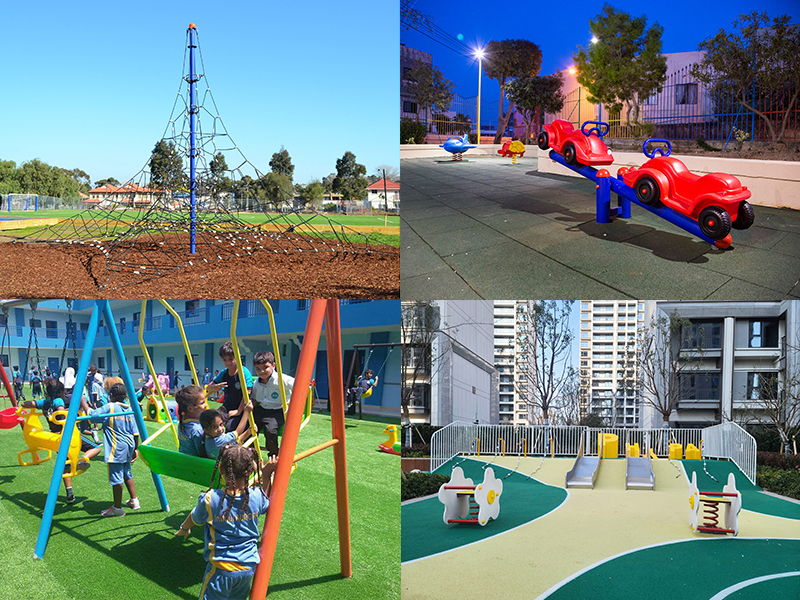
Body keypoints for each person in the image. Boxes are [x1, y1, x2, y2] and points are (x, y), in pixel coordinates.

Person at [175, 446, 278, 600]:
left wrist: (184, 528)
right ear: (249, 472)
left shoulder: (211, 499)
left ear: (221, 469)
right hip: (247, 568)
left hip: (221, 568)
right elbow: (264, 500)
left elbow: (194, 518)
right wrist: (267, 474)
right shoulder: (256, 497)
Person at [20, 377, 90, 504]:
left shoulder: (45, 402)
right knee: (95, 447)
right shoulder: (59, 400)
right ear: (61, 391)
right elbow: (61, 412)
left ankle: (69, 493)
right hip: (67, 436)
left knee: (65, 463)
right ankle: (83, 460)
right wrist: (73, 411)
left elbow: (26, 404)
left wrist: (24, 404)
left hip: (55, 438)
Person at [85, 383, 140, 517]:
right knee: (127, 472)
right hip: (129, 444)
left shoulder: (110, 407)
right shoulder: (128, 408)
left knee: (116, 477)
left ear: (111, 396)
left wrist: (84, 404)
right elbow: (135, 432)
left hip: (117, 447)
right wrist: (136, 449)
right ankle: (134, 500)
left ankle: (117, 508)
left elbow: (92, 417)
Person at [250, 351, 294, 458]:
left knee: (270, 431)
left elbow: (300, 386)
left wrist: (290, 404)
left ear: (273, 366)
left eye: (265, 367)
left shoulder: (282, 379)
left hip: (277, 410)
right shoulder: (257, 383)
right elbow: (255, 399)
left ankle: (273, 454)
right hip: (261, 409)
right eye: (258, 369)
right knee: (249, 427)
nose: (262, 371)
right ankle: (250, 452)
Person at [206, 342, 254, 432]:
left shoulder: (244, 372)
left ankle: (231, 444)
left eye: (231, 359)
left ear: (238, 357)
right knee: (210, 421)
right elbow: (209, 387)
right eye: (225, 360)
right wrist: (213, 387)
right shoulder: (224, 373)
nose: (228, 363)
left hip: (242, 408)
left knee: (230, 426)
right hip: (227, 407)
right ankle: (213, 444)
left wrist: (238, 411)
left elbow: (247, 394)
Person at [176, 385, 208, 457]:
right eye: (202, 403)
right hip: (195, 465)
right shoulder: (196, 429)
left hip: (183, 462)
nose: (206, 405)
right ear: (190, 409)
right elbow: (202, 454)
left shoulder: (182, 423)